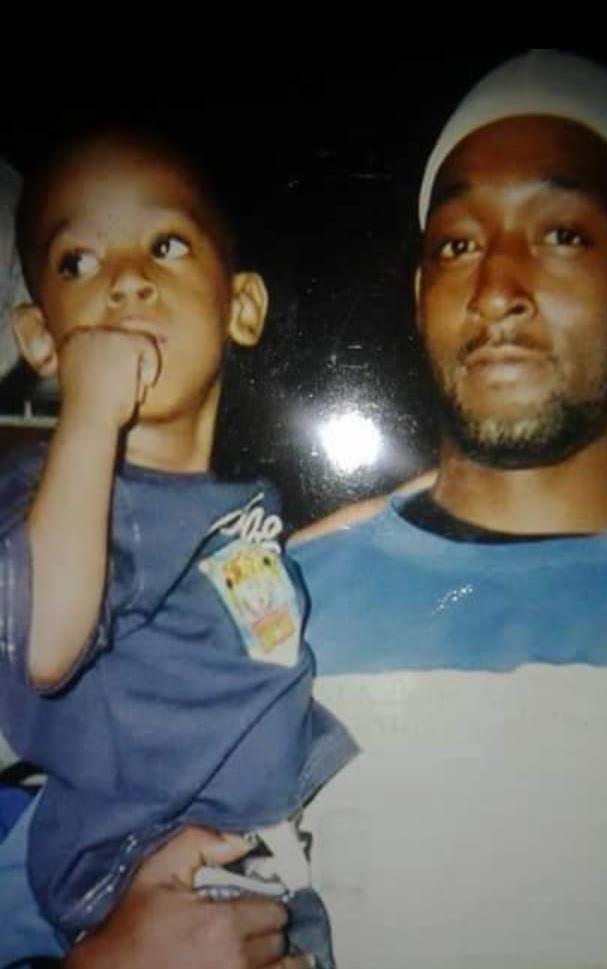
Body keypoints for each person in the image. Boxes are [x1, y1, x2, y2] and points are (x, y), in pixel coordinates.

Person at [2, 50, 607, 969]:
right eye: (457, 245)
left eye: (561, 234)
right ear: (422, 293)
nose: (497, 289)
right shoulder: (262, 605)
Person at [0, 127, 356, 968]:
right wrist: (90, 413)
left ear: (241, 308)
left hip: (258, 861)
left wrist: (412, 503)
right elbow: (42, 644)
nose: (126, 279)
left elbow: (242, 582)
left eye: (164, 245)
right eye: (78, 262)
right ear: (42, 338)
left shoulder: (234, 504)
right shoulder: (58, 502)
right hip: (145, 867)